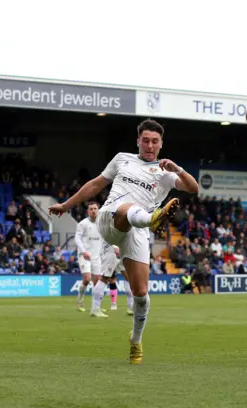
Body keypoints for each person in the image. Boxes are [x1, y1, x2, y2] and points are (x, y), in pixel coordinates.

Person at [49, 119, 199, 364]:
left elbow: (192, 188)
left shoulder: (165, 171)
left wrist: (178, 169)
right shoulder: (122, 159)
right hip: (111, 217)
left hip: (137, 231)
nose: (150, 145)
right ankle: (152, 217)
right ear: (138, 141)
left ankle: (136, 340)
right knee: (128, 208)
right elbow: (97, 184)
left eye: (155, 141)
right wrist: (66, 205)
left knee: (140, 293)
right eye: (146, 140)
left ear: (161, 144)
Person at [74, 202, 105, 316]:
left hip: (97, 256)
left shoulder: (102, 224)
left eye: (95, 209)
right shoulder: (83, 223)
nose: (93, 211)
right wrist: (83, 251)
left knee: (97, 282)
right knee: (87, 279)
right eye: (91, 209)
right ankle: (80, 300)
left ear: (98, 210)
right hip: (84, 255)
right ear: (88, 211)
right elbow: (77, 238)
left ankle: (96, 307)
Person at [92, 242, 135, 316]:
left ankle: (131, 307)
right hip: (110, 251)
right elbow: (111, 232)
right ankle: (95, 309)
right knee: (105, 278)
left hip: (122, 251)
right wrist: (115, 246)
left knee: (128, 277)